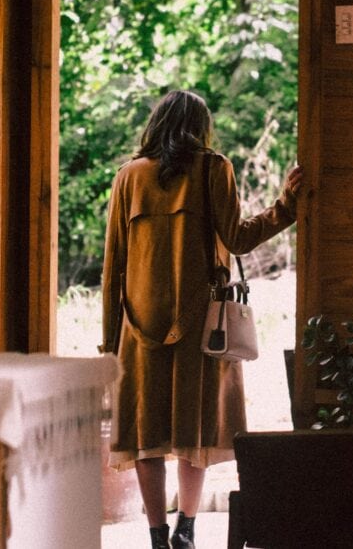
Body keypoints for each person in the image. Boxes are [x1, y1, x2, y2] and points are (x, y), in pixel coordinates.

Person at [101, 89, 302, 549]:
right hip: (202, 327)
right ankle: (185, 530)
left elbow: (113, 267)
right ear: (200, 128)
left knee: (145, 433)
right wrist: (286, 206)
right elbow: (238, 238)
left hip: (137, 328)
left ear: (155, 125)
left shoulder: (127, 177)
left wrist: (109, 342)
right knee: (194, 428)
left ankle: (155, 535)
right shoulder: (214, 168)